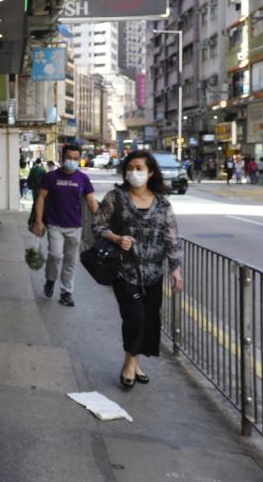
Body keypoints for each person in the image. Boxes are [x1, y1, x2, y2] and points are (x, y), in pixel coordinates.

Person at [92, 150, 183, 389]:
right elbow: (97, 225)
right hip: (124, 270)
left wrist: (175, 269)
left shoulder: (163, 203)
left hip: (154, 273)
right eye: (130, 168)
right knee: (135, 317)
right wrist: (115, 237)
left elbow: (171, 237)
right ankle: (129, 364)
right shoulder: (116, 197)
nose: (134, 172)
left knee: (148, 320)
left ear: (151, 171)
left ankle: (134, 362)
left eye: (140, 168)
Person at [30, 143, 99, 307]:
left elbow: (91, 201)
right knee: (55, 255)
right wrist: (39, 221)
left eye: (76, 158)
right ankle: (50, 279)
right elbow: (41, 198)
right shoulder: (51, 177)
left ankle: (66, 292)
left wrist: (103, 218)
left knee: (71, 261)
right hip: (55, 224)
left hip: (75, 226)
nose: (72, 161)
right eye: (69, 158)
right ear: (62, 158)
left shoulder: (83, 179)